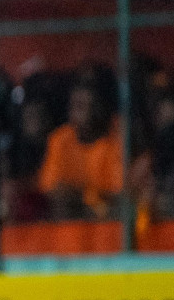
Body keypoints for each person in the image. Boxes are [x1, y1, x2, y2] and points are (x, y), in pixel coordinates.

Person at [38, 77, 123, 219]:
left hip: (111, 220)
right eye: (76, 106)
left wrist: (83, 194)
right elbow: (51, 187)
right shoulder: (60, 139)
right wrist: (88, 195)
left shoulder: (118, 135)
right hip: (71, 221)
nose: (78, 113)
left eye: (84, 106)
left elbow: (118, 192)